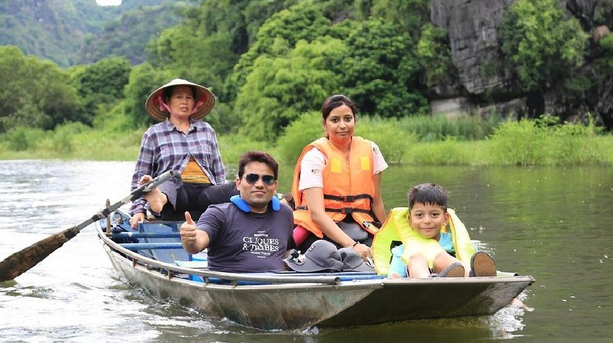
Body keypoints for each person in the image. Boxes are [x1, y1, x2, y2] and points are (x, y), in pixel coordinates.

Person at [128, 78, 238, 229]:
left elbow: (218, 171)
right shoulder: (154, 134)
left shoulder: (206, 130)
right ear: (167, 101)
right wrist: (138, 210)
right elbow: (140, 176)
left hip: (204, 191)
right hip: (175, 193)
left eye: (189, 97)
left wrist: (222, 194)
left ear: (194, 103)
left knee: (238, 187)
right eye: (179, 97)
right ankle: (157, 199)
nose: (184, 102)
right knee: (170, 178)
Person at [290, 94, 387, 260]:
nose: (342, 125)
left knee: (388, 253)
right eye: (335, 120)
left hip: (362, 224)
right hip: (321, 227)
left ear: (355, 120)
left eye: (348, 119)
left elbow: (376, 202)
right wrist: (353, 245)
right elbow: (317, 214)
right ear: (325, 124)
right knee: (332, 254)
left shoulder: (371, 150)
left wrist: (388, 236)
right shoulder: (315, 156)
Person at [179, 151, 294, 273]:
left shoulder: (285, 213)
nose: (260, 184)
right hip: (231, 287)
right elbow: (197, 244)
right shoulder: (218, 213)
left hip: (276, 288)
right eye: (252, 178)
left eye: (267, 180)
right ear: (238, 184)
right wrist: (190, 238)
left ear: (275, 186)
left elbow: (286, 252)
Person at [371, 183, 497, 278]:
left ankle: (475, 277)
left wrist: (509, 298)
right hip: (421, 287)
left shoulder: (454, 243)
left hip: (458, 281)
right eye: (419, 215)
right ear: (410, 220)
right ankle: (429, 283)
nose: (427, 221)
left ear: (445, 218)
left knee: (441, 258)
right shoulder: (401, 250)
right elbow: (393, 278)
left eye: (434, 214)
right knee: (416, 259)